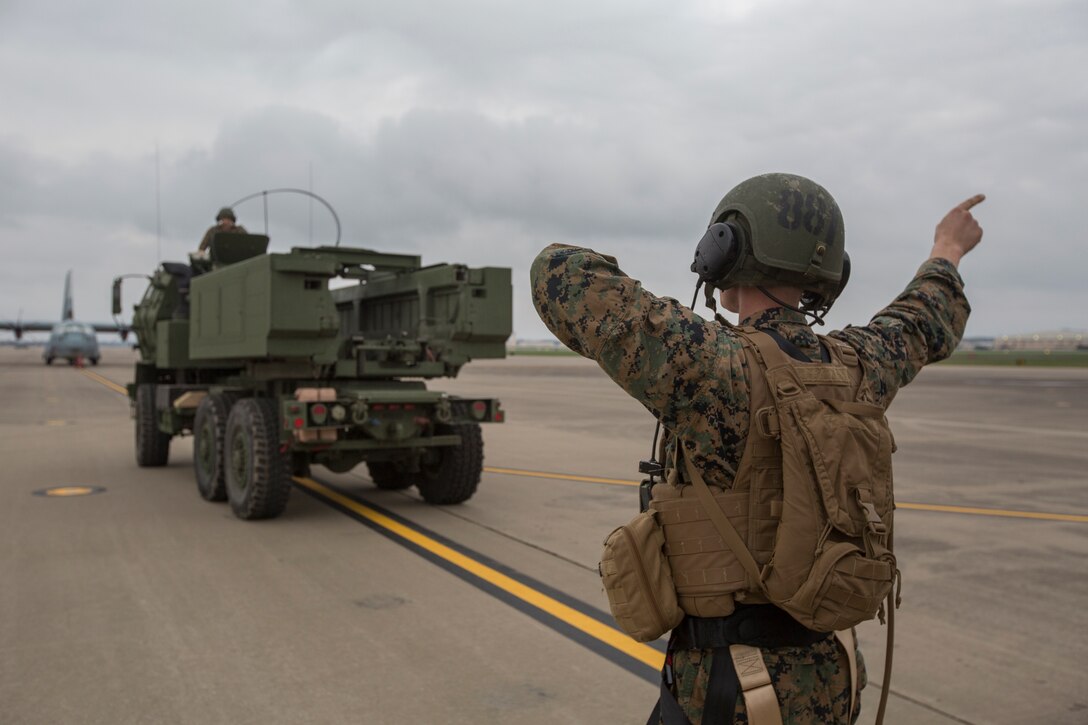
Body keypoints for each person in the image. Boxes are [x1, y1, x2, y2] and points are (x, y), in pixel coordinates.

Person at [530, 173, 984, 724]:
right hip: (832, 674)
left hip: (734, 689)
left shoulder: (714, 366)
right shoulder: (861, 362)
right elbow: (922, 317)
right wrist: (947, 250)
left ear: (727, 251)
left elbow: (557, 273)